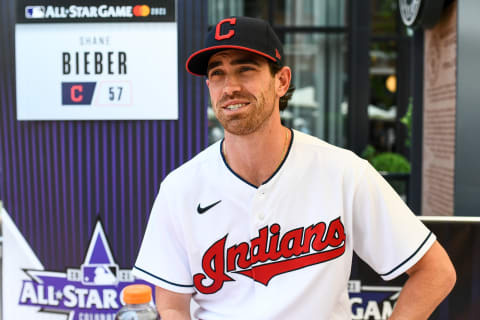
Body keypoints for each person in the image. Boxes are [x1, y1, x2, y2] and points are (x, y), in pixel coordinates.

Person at [132, 16, 456, 319]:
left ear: (281, 81)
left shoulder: (344, 172)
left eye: (245, 69)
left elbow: (436, 271)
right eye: (217, 73)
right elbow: (172, 305)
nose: (230, 86)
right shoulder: (181, 187)